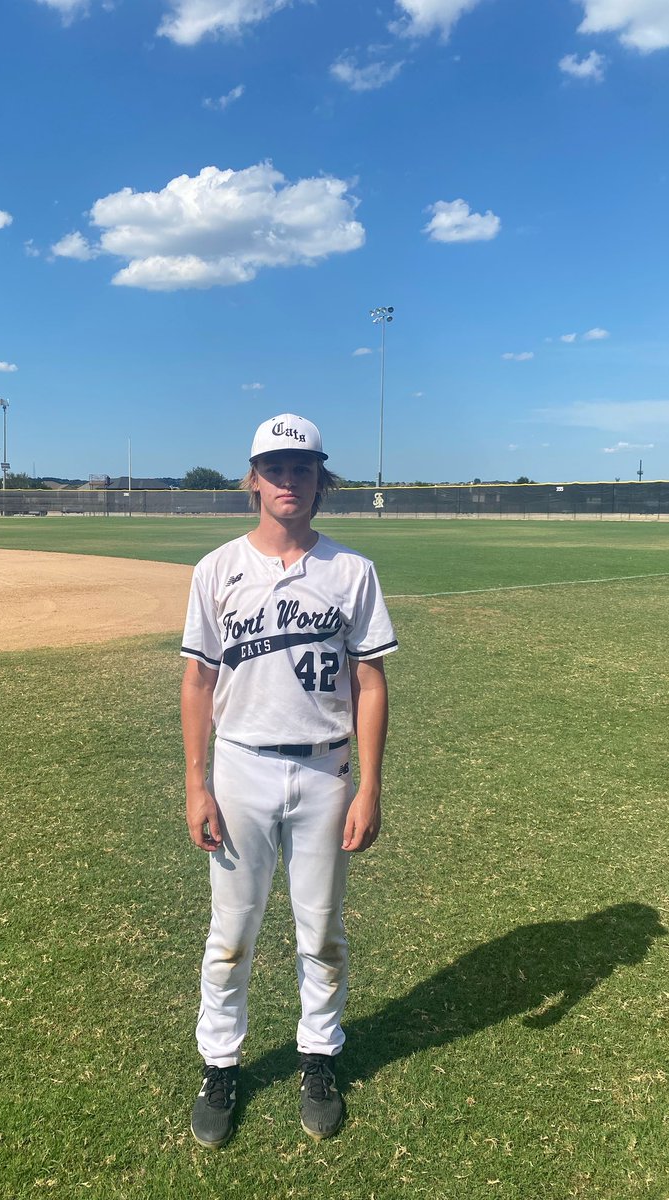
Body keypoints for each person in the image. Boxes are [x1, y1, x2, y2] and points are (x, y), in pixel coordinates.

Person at [180, 413, 397, 1148]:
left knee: (322, 929)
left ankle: (319, 1054)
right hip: (239, 764)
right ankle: (220, 1062)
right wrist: (195, 782)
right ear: (253, 479)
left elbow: (370, 681)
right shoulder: (216, 569)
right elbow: (196, 682)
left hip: (325, 769)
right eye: (274, 468)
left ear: (320, 480)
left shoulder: (351, 570)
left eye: (301, 468)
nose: (287, 481)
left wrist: (369, 784)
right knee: (232, 930)